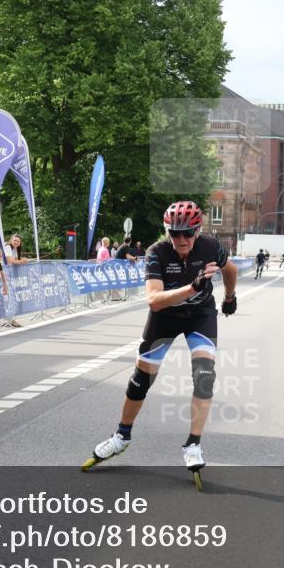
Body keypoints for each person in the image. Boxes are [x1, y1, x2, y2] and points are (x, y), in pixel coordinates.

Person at [83, 201, 238, 479]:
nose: (181, 239)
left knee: (205, 375)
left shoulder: (211, 246)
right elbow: (154, 301)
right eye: (174, 233)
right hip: (165, 315)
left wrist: (229, 297)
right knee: (141, 379)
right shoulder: (157, 252)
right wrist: (193, 286)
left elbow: (231, 270)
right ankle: (122, 436)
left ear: (198, 230)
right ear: (167, 231)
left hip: (199, 314)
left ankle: (193, 444)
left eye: (187, 234)